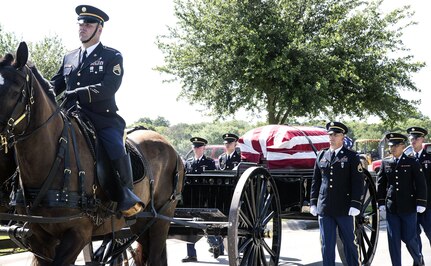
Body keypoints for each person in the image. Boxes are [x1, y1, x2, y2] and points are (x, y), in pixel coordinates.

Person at [50, 5, 142, 217]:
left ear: (99, 29)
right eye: (81, 24)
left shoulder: (112, 56)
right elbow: (53, 86)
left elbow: (110, 87)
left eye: (88, 24)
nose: (82, 28)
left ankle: (126, 194)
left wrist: (78, 92)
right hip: (71, 115)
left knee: (115, 148)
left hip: (102, 118)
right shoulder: (69, 57)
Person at [310, 121, 364, 266]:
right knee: (326, 245)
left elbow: (358, 182)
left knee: (349, 243)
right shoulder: (322, 155)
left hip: (345, 207)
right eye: (330, 135)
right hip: (325, 207)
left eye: (335, 135)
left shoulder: (351, 156)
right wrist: (313, 202)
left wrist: (355, 204)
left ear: (342, 137)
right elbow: (316, 181)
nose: (332, 137)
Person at [377, 132, 427, 266]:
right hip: (392, 207)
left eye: (395, 145)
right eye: (390, 145)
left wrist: (421, 202)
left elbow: (421, 183)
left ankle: (418, 259)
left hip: (408, 207)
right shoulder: (386, 162)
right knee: (393, 240)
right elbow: (381, 184)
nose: (392, 148)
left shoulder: (412, 162)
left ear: (402, 146)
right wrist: (381, 202)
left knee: (410, 238)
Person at [182, 137, 216, 262]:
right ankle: (191, 254)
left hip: (204, 197)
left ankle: (216, 244)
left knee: (207, 223)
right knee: (189, 225)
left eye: (199, 147)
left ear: (203, 148)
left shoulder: (209, 162)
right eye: (194, 147)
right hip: (190, 197)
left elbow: (213, 181)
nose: (196, 149)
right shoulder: (188, 162)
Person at [407, 127, 431, 259]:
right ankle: (418, 259)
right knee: (413, 235)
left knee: (430, 232)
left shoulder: (429, 157)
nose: (413, 140)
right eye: (411, 138)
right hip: (412, 203)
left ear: (423, 139)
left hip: (429, 203)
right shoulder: (407, 158)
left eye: (417, 138)